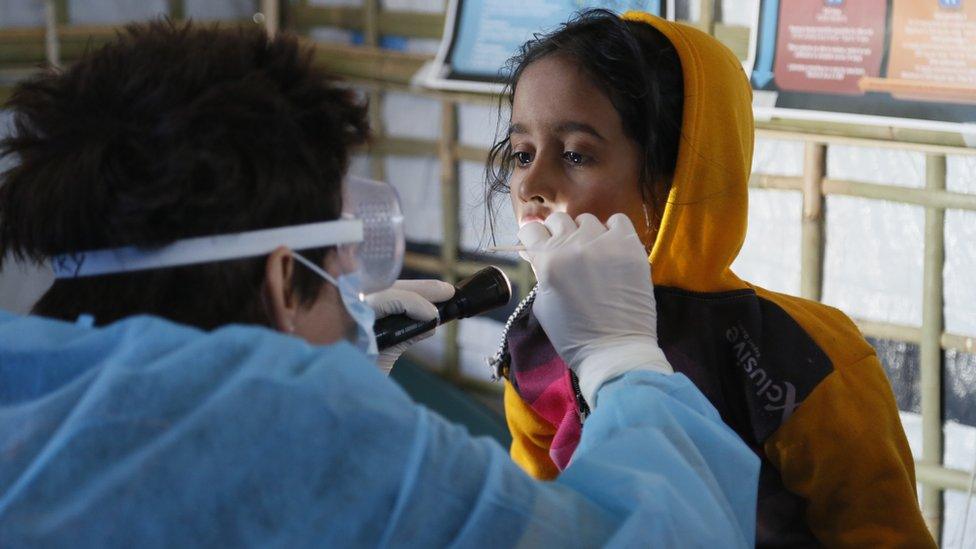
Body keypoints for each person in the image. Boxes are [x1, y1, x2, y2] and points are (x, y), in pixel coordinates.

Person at [0, 20, 759, 546]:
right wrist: (625, 360)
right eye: (337, 270)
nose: (535, 185)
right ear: (279, 280)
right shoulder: (314, 433)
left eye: (580, 153)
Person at [486, 9, 935, 548]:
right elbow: (542, 522)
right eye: (521, 154)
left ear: (679, 174)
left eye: (577, 154)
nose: (531, 184)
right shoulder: (535, 342)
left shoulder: (803, 357)